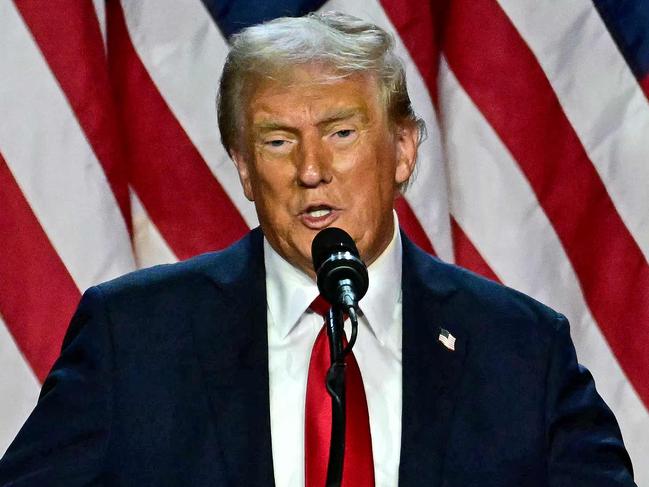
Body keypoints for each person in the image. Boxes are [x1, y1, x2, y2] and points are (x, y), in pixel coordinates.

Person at [0, 11, 636, 487]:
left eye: (341, 132)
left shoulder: (520, 349)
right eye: (278, 141)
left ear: (404, 152)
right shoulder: (134, 337)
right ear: (245, 171)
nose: (312, 169)